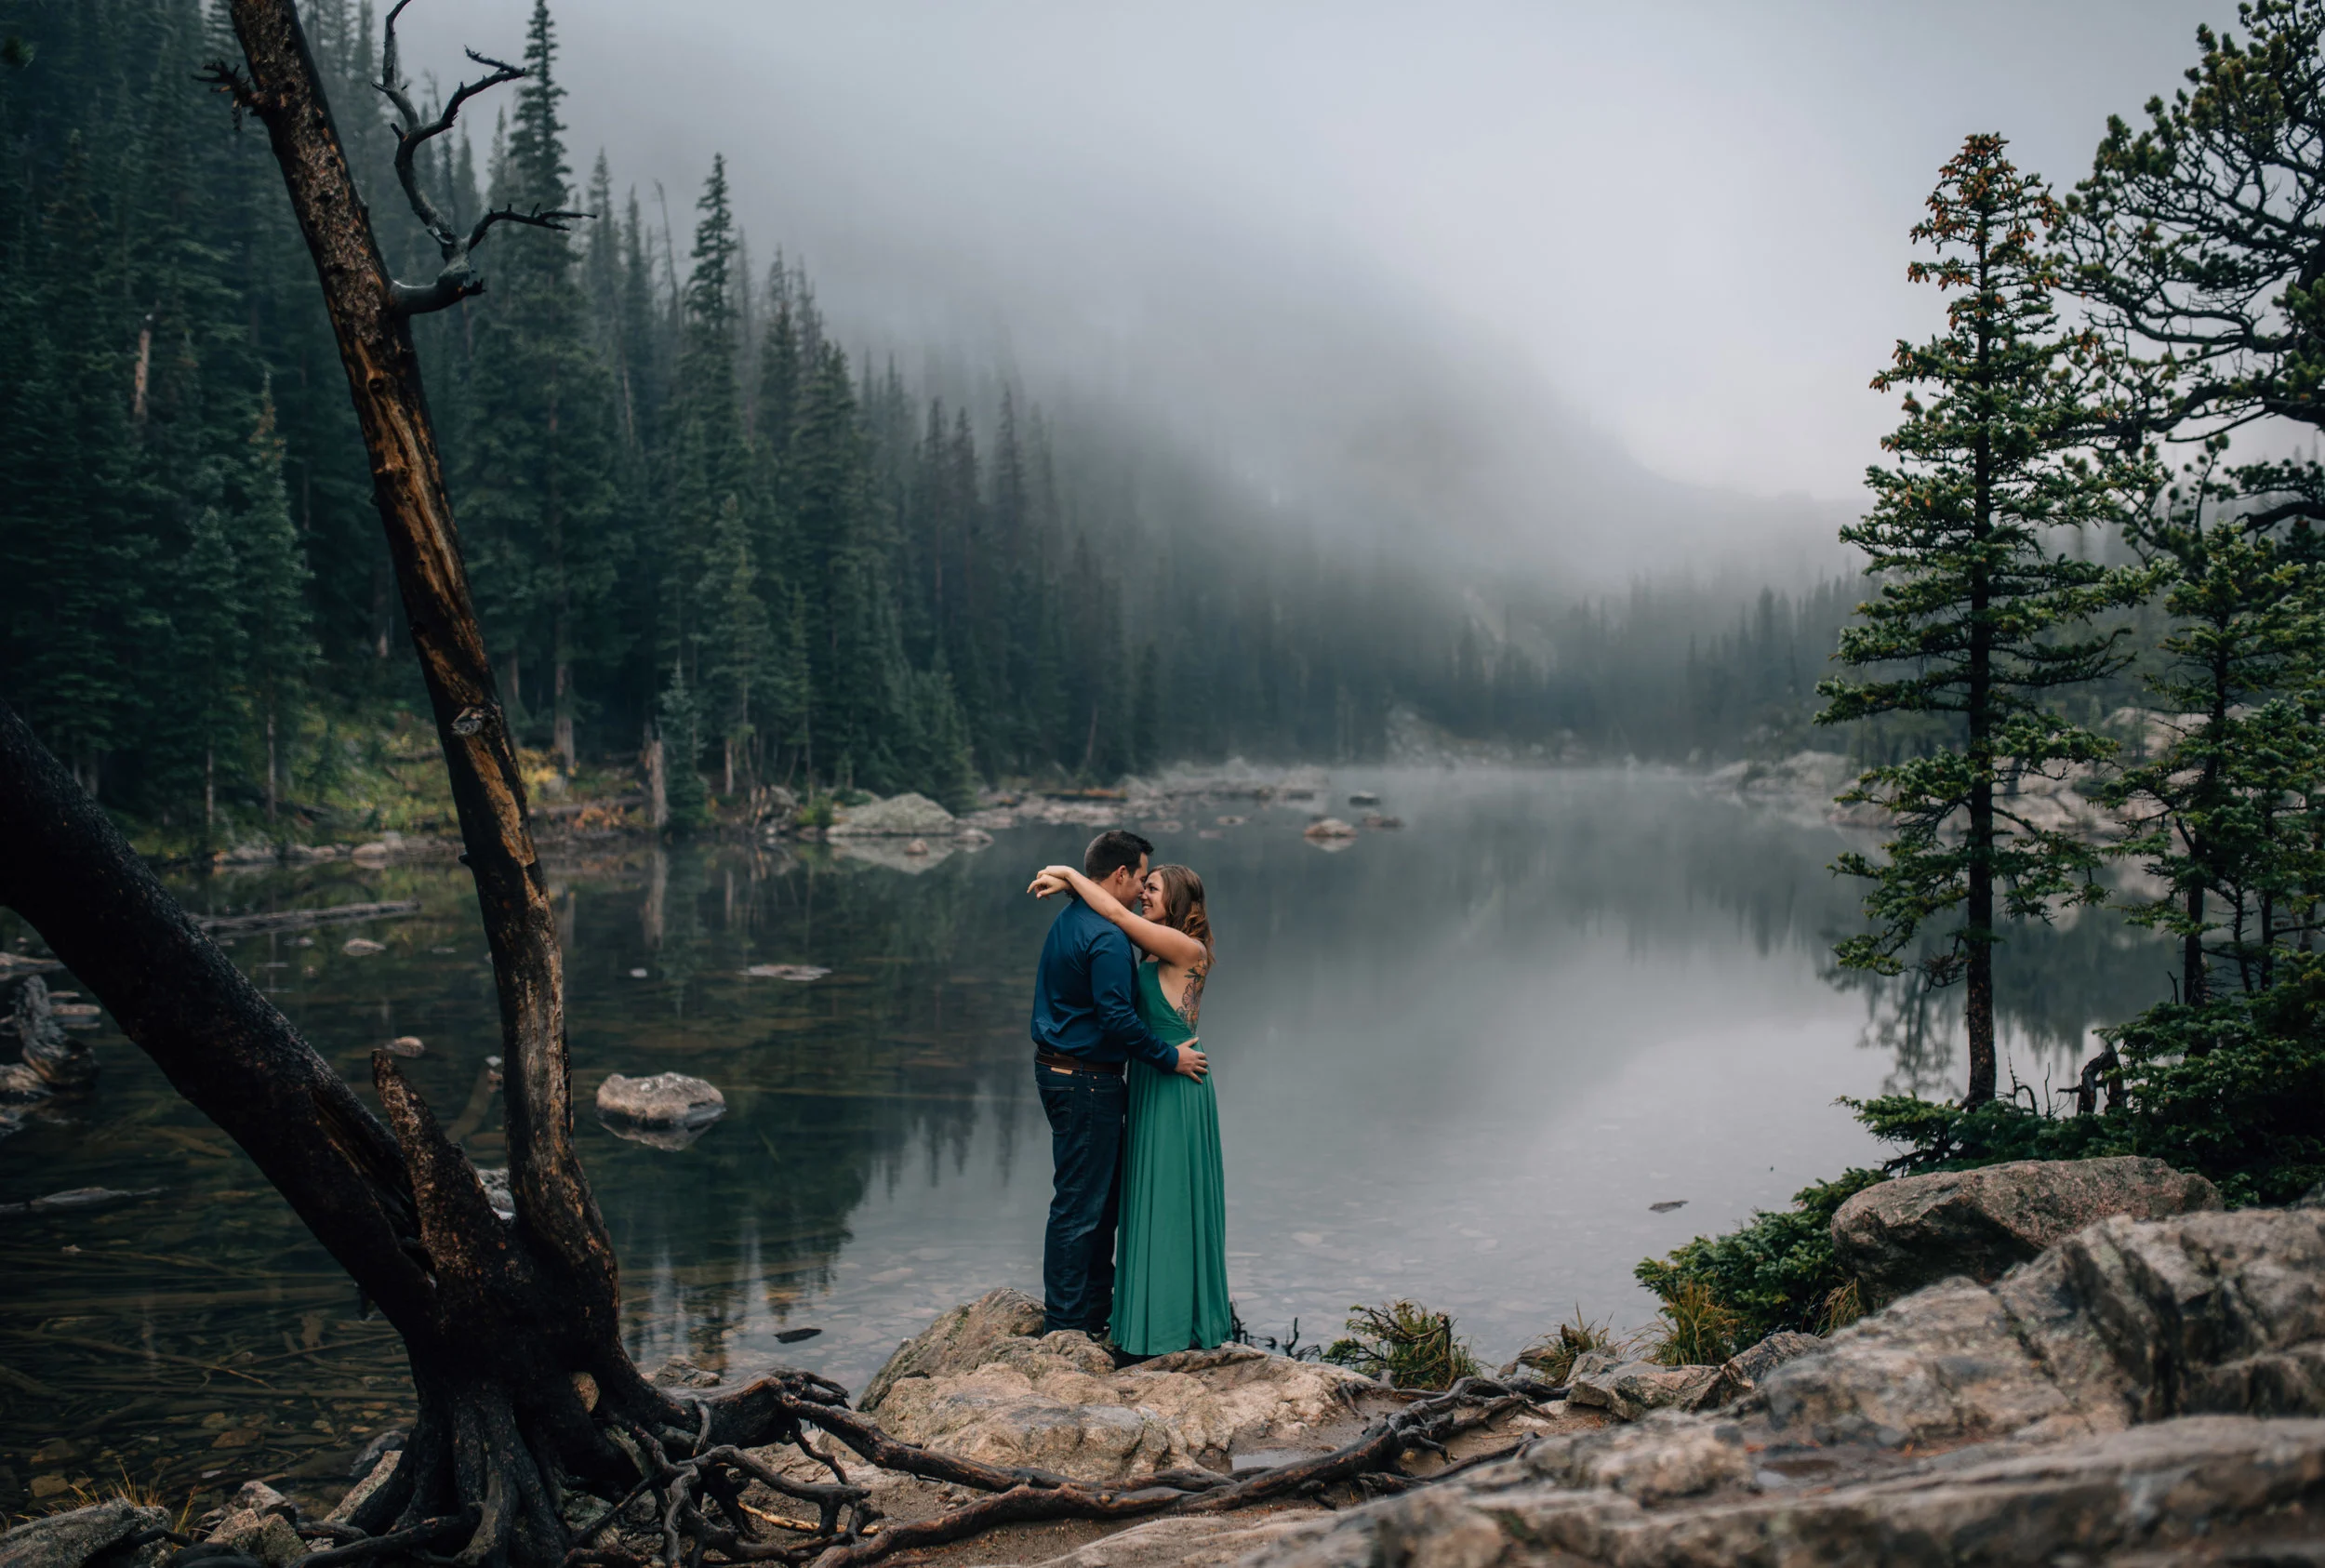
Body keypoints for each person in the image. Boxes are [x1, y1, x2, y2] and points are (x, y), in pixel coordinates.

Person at [1030, 857, 1231, 1357]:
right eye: (1144, 882)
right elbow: (1111, 912)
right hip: (1149, 1078)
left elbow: (1115, 913)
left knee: (1170, 1199)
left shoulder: (1187, 948)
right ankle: (1142, 1322)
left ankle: (1171, 1326)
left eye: (1154, 888)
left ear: (1177, 899)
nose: (1144, 893)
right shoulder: (1155, 949)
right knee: (1141, 1198)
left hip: (1176, 1079)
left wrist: (1070, 876)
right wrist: (1076, 887)